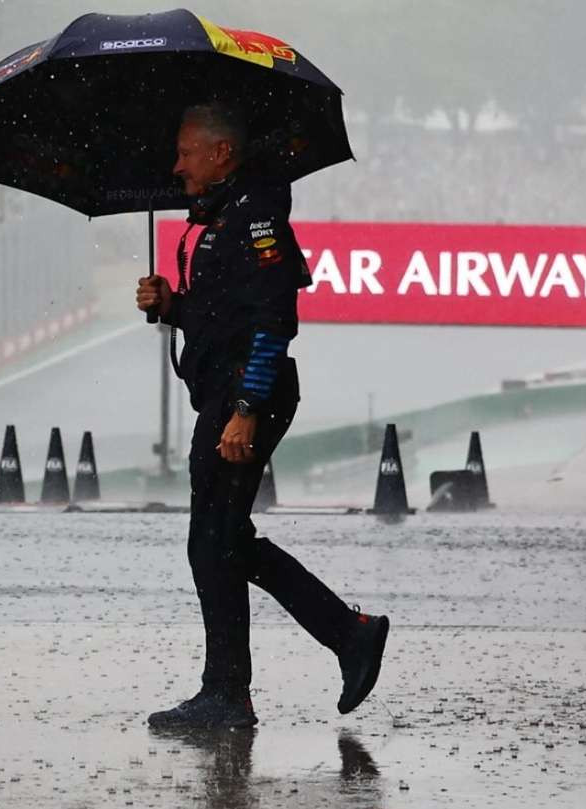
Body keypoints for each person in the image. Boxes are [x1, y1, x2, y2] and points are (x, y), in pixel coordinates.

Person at [136, 103, 389, 728]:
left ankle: (237, 689)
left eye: (186, 152)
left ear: (221, 153)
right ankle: (337, 638)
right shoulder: (220, 212)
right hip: (223, 394)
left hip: (249, 396)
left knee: (217, 542)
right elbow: (224, 315)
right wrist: (173, 305)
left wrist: (246, 409)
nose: (177, 166)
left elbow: (274, 320)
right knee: (217, 544)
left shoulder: (257, 216)